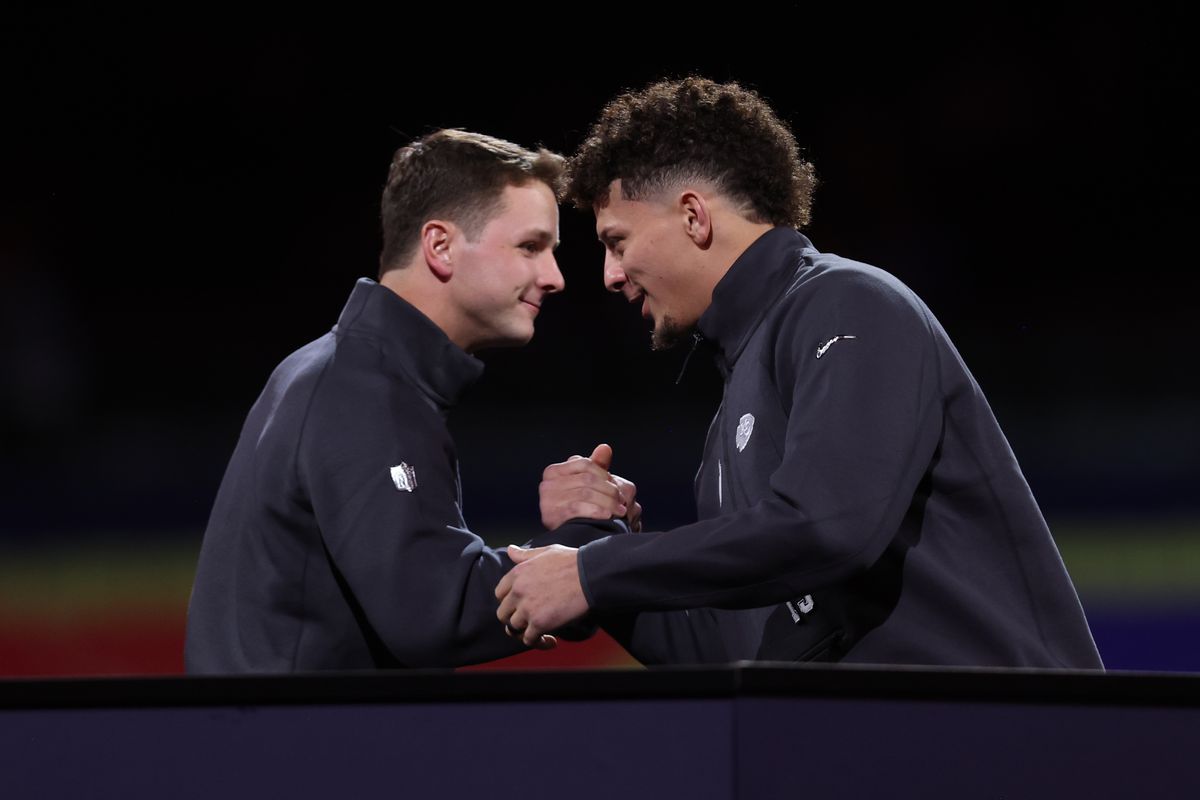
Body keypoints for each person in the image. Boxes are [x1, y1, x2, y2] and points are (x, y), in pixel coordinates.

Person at [497, 78, 1104, 669]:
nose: (610, 275)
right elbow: (728, 652)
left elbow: (828, 527)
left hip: (1003, 726)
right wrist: (594, 548)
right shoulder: (735, 407)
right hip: (891, 730)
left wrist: (596, 571)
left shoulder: (847, 304)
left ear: (693, 217)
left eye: (617, 241)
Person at [185, 129, 630, 673]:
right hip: (292, 730)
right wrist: (591, 547)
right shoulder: (362, 392)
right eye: (530, 247)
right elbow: (435, 612)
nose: (554, 278)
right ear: (440, 246)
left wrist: (573, 553)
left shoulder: (343, 370)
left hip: (271, 724)